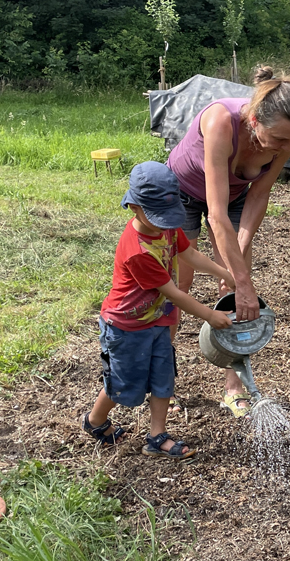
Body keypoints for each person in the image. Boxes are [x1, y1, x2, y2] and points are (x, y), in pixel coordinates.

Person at [166, 66, 290, 417]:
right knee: (177, 285)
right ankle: (162, 381)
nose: (286, 147)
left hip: (237, 195)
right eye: (278, 140)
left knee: (228, 289)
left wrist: (237, 266)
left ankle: (233, 386)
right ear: (255, 120)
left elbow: (259, 194)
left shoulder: (287, 136)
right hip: (182, 193)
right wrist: (243, 281)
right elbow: (214, 215)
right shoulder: (220, 122)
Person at [82, 161, 234, 459]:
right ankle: (95, 421)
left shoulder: (165, 227)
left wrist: (223, 272)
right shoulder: (138, 251)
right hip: (125, 327)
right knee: (124, 385)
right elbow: (174, 293)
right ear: (133, 207)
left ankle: (157, 436)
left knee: (164, 377)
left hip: (157, 320)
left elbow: (188, 252)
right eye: (159, 217)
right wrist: (210, 315)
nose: (166, 224)